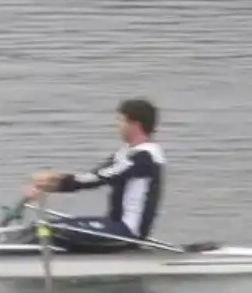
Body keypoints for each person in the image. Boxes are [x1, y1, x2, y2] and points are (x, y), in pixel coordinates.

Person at [21, 98, 165, 253]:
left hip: (127, 232)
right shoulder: (126, 153)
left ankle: (11, 263)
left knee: (48, 232)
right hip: (113, 225)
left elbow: (98, 178)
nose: (117, 125)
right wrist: (50, 184)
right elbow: (93, 174)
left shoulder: (145, 156)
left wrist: (58, 182)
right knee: (38, 227)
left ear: (135, 125)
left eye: (121, 120)